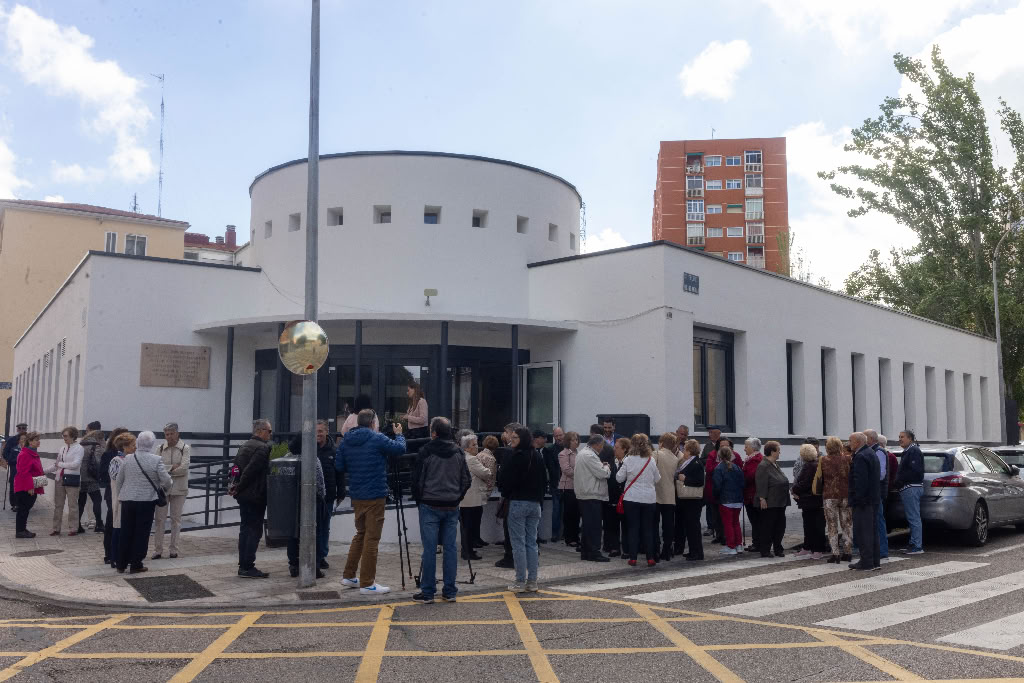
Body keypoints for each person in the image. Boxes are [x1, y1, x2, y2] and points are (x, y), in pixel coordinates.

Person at [335, 409, 406, 594]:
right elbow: (400, 449)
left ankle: (349, 575)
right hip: (375, 493)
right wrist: (399, 435)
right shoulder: (377, 438)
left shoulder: (346, 440)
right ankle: (367, 583)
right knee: (372, 539)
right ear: (373, 422)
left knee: (361, 534)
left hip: (357, 494)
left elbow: (339, 465)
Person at [412, 417, 471, 604]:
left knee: (429, 550)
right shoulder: (458, 452)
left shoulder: (426, 451)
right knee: (450, 549)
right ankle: (450, 591)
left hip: (429, 504)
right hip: (451, 505)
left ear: (434, 433)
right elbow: (466, 480)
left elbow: (417, 480)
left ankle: (428, 592)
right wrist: (457, 497)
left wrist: (420, 498)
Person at [497, 426, 546, 592]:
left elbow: (505, 480)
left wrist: (506, 493)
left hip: (518, 502)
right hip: (535, 504)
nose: (511, 440)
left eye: (515, 438)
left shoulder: (515, 456)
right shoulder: (537, 456)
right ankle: (532, 581)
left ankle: (519, 581)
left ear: (522, 439)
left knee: (518, 543)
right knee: (532, 543)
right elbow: (544, 480)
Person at [114, 432, 172, 574]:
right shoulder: (156, 460)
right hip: (146, 501)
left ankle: (121, 563)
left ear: (138, 443)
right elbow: (167, 481)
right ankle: (136, 564)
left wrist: (121, 495)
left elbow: (119, 480)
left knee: (126, 531)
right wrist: (162, 489)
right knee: (141, 533)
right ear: (151, 444)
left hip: (127, 500)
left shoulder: (128, 458)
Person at [290, 420, 339, 569]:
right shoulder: (308, 450)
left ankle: (321, 556)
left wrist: (340, 492)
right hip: (309, 497)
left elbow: (339, 473)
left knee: (324, 528)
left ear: (326, 432)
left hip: (327, 496)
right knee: (307, 528)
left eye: (320, 431)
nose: (318, 434)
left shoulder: (333, 450)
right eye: (315, 431)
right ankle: (310, 560)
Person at [232, 419, 273, 578]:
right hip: (255, 495)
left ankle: (243, 564)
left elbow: (235, 469)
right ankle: (247, 566)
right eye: (269, 431)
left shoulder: (245, 446)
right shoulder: (262, 448)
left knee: (245, 529)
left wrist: (233, 486)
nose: (270, 434)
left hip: (244, 496)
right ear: (260, 431)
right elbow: (250, 471)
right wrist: (239, 486)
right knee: (253, 531)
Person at [616, 433, 661, 567]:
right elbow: (657, 479)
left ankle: (633, 558)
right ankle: (650, 558)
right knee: (648, 528)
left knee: (633, 528)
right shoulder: (650, 460)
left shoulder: (628, 459)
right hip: (649, 498)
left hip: (631, 498)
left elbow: (619, 478)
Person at [150, 423, 191, 560]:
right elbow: (155, 468)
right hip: (163, 489)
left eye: (172, 433)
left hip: (179, 489)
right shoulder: (160, 448)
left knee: (176, 520)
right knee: (159, 520)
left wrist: (165, 470)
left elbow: (184, 469)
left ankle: (173, 550)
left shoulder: (185, 448)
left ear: (177, 433)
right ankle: (158, 550)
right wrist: (172, 467)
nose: (169, 437)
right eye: (167, 434)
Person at [575, 434, 611, 562]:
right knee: (594, 526)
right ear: (597, 444)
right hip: (591, 494)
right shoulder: (590, 455)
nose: (602, 448)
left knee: (587, 525)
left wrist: (601, 465)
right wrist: (606, 467)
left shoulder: (582, 453)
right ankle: (594, 552)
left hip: (585, 494)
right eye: (602, 445)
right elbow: (603, 474)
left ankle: (586, 552)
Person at [848, 432, 881, 571]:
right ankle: (874, 561)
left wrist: (857, 499)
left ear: (857, 442)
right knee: (872, 531)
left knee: (863, 532)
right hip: (872, 499)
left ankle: (866, 562)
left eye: (850, 441)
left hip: (863, 501)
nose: (849, 444)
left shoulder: (861, 456)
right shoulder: (871, 453)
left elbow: (860, 481)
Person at [818, 436, 853, 563]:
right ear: (840, 446)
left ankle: (835, 554)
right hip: (846, 494)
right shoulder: (848, 459)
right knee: (847, 524)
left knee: (832, 525)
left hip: (829, 495)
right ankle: (848, 552)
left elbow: (819, 478)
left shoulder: (823, 460)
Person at [459, 433, 492, 561]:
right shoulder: (471, 459)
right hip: (471, 498)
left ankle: (467, 550)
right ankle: (468, 551)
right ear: (467, 447)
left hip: (465, 498)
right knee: (469, 526)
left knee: (466, 526)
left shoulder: (462, 457)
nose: (477, 447)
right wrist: (489, 468)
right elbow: (485, 473)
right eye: (474, 445)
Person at [791, 444, 827, 559]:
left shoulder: (809, 466)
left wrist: (794, 489)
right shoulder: (817, 464)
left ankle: (817, 549)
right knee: (811, 524)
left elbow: (804, 483)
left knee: (813, 525)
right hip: (815, 500)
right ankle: (808, 547)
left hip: (810, 500)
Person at [100, 428, 129, 565]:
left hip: (125, 494)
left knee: (121, 523)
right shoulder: (109, 455)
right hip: (112, 493)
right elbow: (103, 474)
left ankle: (119, 552)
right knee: (112, 522)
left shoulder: (129, 456)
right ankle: (109, 553)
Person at [755, 441, 790, 557]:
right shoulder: (763, 465)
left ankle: (778, 548)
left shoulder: (774, 464)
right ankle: (765, 550)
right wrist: (762, 498)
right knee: (768, 527)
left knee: (779, 526)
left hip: (780, 501)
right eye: (778, 450)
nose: (780, 453)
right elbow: (761, 482)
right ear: (772, 452)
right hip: (770, 502)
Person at [895, 430, 925, 555]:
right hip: (909, 487)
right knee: (912, 517)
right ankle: (913, 543)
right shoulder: (909, 451)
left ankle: (917, 546)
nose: (900, 439)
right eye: (899, 437)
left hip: (911, 487)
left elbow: (914, 471)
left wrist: (899, 481)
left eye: (902, 437)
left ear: (910, 439)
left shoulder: (913, 451)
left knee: (914, 517)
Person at [50, 427, 84, 536]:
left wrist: (60, 464)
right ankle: (56, 528)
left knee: (72, 505)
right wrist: (42, 471)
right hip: (59, 478)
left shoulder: (79, 448)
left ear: (73, 436)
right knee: (58, 505)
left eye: (66, 436)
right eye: (63, 436)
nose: (64, 438)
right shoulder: (62, 448)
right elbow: (56, 464)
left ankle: (73, 528)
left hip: (72, 479)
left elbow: (76, 464)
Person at [675, 439, 705, 560]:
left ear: (690, 450)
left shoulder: (696, 463)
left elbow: (699, 481)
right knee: (690, 527)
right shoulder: (688, 462)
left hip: (693, 500)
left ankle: (697, 553)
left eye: (685, 449)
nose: (683, 451)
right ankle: (693, 550)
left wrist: (685, 479)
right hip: (687, 500)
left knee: (694, 527)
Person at [712, 445, 745, 555]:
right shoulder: (737, 467)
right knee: (736, 523)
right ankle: (739, 545)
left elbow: (717, 486)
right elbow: (742, 483)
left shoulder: (718, 468)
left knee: (728, 524)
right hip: (738, 499)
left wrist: (716, 497)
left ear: (719, 456)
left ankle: (731, 546)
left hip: (725, 500)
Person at [13, 431, 44, 538]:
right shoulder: (25, 454)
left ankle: (22, 529)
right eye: (36, 440)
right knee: (23, 509)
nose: (38, 442)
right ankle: (20, 531)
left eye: (38, 440)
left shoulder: (32, 453)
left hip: (29, 486)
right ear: (30, 442)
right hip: (24, 487)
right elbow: (24, 472)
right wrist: (29, 487)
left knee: (25, 509)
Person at [654, 433, 679, 560]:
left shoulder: (656, 454)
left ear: (662, 443)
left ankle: (655, 550)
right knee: (668, 525)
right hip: (669, 495)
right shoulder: (675, 459)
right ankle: (667, 550)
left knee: (654, 524)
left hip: (656, 494)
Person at [864, 429, 889, 559]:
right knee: (874, 521)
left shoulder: (879, 451)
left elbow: (881, 474)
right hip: (873, 491)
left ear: (870, 439)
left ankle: (882, 550)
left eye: (864, 437)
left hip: (876, 491)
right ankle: (876, 549)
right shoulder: (872, 451)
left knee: (878, 520)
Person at [107, 433, 130, 568]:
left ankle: (121, 556)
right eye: (132, 445)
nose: (135, 447)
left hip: (125, 499)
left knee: (123, 528)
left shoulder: (127, 459)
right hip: (119, 499)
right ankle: (114, 557)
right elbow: (117, 480)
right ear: (125, 446)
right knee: (118, 527)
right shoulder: (116, 460)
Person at [76, 428, 105, 534]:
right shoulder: (96, 446)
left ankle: (77, 525)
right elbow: (97, 461)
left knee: (81, 502)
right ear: (99, 438)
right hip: (91, 477)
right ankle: (99, 524)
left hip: (79, 477)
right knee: (97, 500)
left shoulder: (80, 445)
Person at [605, 437, 628, 557]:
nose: (614, 449)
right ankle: (614, 547)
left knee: (626, 524)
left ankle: (626, 549)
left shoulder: (628, 462)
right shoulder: (611, 462)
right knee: (612, 523)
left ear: (624, 449)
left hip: (625, 498)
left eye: (617, 447)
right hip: (612, 498)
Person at [558, 432, 580, 548]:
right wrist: (581, 475)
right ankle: (569, 538)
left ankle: (576, 537)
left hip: (578, 487)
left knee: (576, 514)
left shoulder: (578, 453)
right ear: (568, 441)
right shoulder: (563, 454)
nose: (576, 442)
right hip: (568, 487)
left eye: (577, 439)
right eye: (573, 440)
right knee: (569, 514)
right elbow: (566, 470)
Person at [475, 435, 499, 547]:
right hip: (483, 491)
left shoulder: (478, 455)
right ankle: (476, 539)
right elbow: (490, 476)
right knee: (477, 516)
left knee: (475, 516)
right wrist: (488, 492)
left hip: (475, 489)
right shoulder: (491, 458)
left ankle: (475, 538)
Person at [542, 427, 564, 543]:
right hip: (556, 484)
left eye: (560, 435)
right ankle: (555, 534)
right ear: (554, 437)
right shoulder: (549, 450)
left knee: (566, 510)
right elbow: (551, 469)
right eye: (557, 436)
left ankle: (564, 533)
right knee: (556, 509)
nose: (559, 438)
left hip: (568, 485)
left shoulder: (568, 448)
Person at [741, 438, 763, 553]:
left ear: (752, 448)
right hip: (751, 494)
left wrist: (740, 478)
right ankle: (757, 543)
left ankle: (757, 544)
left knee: (756, 521)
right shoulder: (752, 459)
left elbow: (750, 477)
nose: (744, 449)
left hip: (752, 495)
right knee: (756, 521)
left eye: (746, 447)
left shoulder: (754, 460)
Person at [703, 438, 725, 544]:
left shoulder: (734, 455)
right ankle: (719, 535)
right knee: (715, 514)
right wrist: (722, 466)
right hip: (714, 488)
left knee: (725, 515)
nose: (724, 448)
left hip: (727, 490)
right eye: (722, 445)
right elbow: (708, 469)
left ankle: (725, 536)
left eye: (727, 446)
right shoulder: (712, 455)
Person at [4, 422, 27, 510]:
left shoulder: (29, 439)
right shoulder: (11, 440)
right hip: (15, 466)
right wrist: (9, 460)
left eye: (23, 428)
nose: (21, 430)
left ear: (26, 429)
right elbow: (5, 453)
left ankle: (23, 503)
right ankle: (14, 504)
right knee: (14, 485)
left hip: (26, 468)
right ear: (17, 429)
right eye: (20, 428)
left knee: (25, 485)